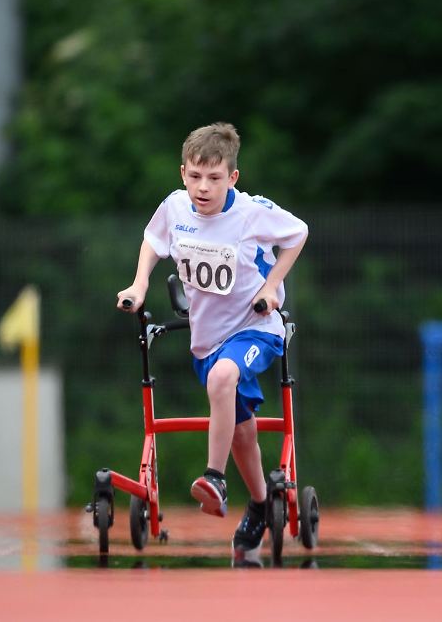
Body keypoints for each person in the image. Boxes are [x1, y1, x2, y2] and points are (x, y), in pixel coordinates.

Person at [116, 123, 308, 565]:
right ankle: (260, 504)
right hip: (205, 340)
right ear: (183, 173)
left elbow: (297, 234)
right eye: (196, 177)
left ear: (232, 178)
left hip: (255, 329)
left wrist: (273, 287)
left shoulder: (252, 212)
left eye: (215, 178)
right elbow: (151, 241)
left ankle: (214, 479)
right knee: (241, 431)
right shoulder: (174, 207)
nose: (204, 188)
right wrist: (138, 284)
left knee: (224, 377)